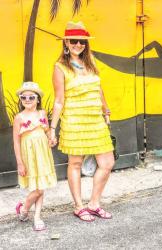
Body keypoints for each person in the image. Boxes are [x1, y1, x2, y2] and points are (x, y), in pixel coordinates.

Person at [50, 21, 115, 222]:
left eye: (82, 41)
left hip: (95, 120)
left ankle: (94, 203)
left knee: (107, 162)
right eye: (74, 41)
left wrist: (106, 110)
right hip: (74, 121)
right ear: (66, 43)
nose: (78, 44)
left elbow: (99, 88)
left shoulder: (91, 62)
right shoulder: (60, 67)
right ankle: (79, 206)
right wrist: (52, 128)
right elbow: (59, 100)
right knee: (76, 163)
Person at [13, 82, 57, 231]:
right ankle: (24, 208)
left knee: (41, 186)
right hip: (29, 155)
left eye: (31, 97)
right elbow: (16, 142)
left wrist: (51, 138)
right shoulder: (19, 117)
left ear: (38, 99)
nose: (27, 99)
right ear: (20, 99)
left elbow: (46, 131)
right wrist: (20, 162)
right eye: (23, 97)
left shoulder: (42, 113)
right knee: (37, 188)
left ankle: (36, 216)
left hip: (42, 153)